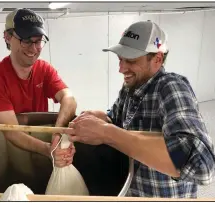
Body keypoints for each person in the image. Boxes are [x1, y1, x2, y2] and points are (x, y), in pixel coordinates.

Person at [64, 20, 215, 198]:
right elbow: (119, 120)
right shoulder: (131, 87)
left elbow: (201, 165)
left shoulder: (171, 87)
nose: (121, 68)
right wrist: (103, 117)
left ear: (157, 59)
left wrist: (106, 133)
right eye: (120, 59)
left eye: (131, 61)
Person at [0, 8, 76, 165]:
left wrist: (58, 134)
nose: (34, 48)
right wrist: (48, 149)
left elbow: (69, 99)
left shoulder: (44, 70)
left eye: (38, 40)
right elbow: (12, 133)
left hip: (39, 153)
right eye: (26, 41)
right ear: (8, 37)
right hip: (2, 159)